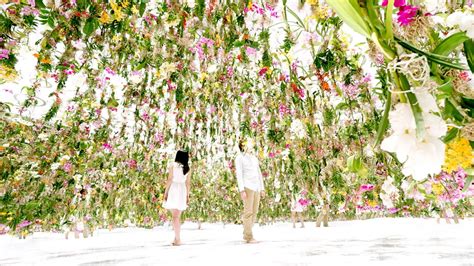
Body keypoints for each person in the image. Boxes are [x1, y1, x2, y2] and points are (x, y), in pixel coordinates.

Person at [235, 138, 265, 244]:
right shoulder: (239, 158)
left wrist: (262, 188)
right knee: (248, 212)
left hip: (256, 187)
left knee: (255, 211)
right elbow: (239, 174)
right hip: (247, 187)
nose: (251, 144)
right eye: (249, 142)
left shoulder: (254, 158)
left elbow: (259, 173)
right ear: (243, 145)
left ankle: (246, 232)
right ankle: (249, 236)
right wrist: (241, 189)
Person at [163, 150, 192, 246]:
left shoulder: (173, 165)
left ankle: (178, 239)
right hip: (182, 189)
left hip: (174, 188)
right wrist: (187, 195)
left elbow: (170, 179)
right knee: (177, 216)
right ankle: (176, 239)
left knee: (174, 216)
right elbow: (188, 183)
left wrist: (165, 192)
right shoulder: (187, 168)